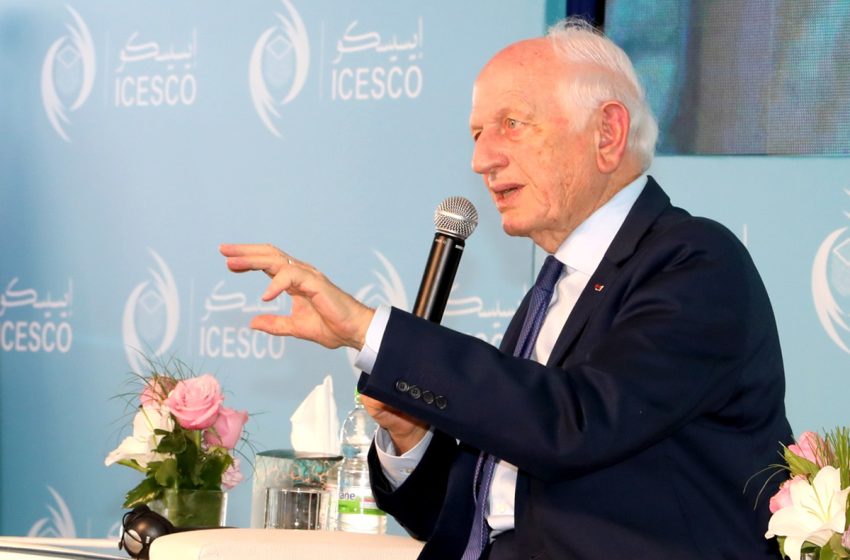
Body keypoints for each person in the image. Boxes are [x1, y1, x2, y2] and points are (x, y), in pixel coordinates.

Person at [221, 18, 792, 559]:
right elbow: (472, 519)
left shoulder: (695, 262)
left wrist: (370, 330)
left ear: (608, 133)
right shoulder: (557, 286)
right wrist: (411, 436)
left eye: (512, 124)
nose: (480, 160)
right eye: (477, 133)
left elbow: (575, 425)